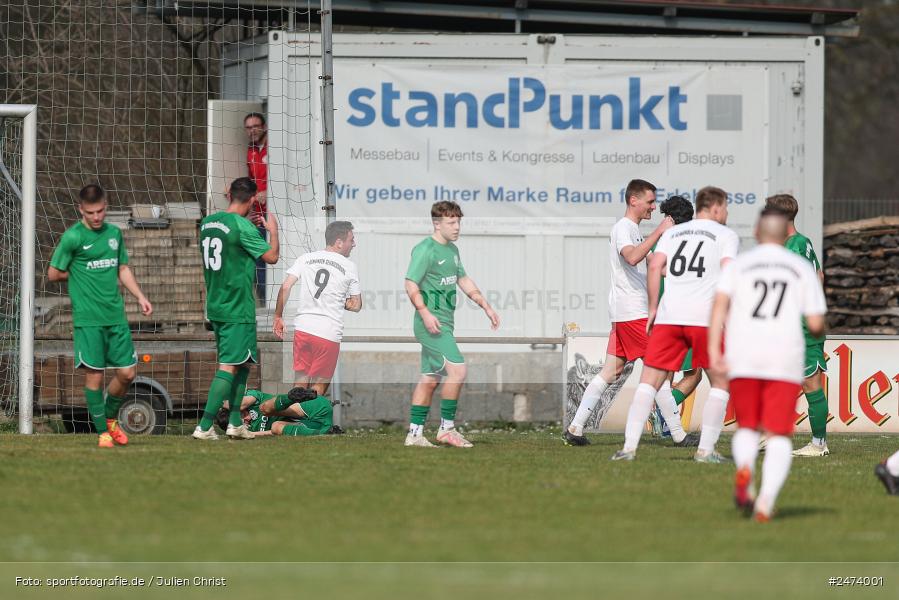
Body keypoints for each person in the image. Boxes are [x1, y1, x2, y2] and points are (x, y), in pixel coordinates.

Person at [708, 206, 827, 521]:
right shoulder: (800, 268)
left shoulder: (740, 266)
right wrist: (817, 329)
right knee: (778, 434)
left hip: (744, 356)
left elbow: (719, 307)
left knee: (748, 427)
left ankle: (745, 469)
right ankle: (765, 501)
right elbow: (816, 322)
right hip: (783, 358)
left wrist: (714, 351)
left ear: (757, 233)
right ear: (783, 232)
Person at [612, 186, 739, 463]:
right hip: (703, 318)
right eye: (726, 207)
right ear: (715, 207)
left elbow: (655, 266)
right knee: (720, 381)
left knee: (649, 382)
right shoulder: (726, 235)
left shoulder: (673, 233)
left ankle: (628, 448)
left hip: (669, 317)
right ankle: (705, 451)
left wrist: (654, 307)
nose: (727, 212)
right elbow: (730, 272)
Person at [564, 179, 684, 446]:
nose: (654, 208)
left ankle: (575, 428)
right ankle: (678, 434)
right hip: (633, 312)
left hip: (625, 313)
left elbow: (654, 265)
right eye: (650, 202)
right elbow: (631, 257)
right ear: (634, 200)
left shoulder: (635, 231)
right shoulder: (624, 228)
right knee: (659, 370)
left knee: (610, 372)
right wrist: (660, 231)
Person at [48, 184, 153, 448]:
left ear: (106, 206)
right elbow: (53, 273)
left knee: (128, 374)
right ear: (81, 210)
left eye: (101, 211)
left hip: (115, 317)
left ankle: (109, 418)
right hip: (88, 319)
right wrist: (80, 273)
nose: (97, 217)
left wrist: (140, 296)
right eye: (91, 212)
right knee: (94, 376)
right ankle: (102, 433)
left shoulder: (114, 234)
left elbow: (123, 268)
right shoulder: (72, 237)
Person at [403, 201, 500, 448]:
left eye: (459, 221)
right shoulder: (425, 249)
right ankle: (446, 429)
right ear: (437, 224)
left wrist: (485, 306)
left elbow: (463, 279)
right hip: (431, 325)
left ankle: (414, 435)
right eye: (451, 222)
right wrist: (424, 312)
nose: (457, 227)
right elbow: (410, 284)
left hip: (444, 322)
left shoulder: (453, 250)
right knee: (458, 371)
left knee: (430, 378)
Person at [193, 177, 279, 441]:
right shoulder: (244, 227)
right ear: (253, 200)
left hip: (216, 305)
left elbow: (231, 242)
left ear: (229, 194)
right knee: (229, 365)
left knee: (243, 364)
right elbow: (271, 257)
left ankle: (234, 424)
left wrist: (247, 228)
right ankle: (205, 426)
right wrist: (273, 232)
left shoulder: (209, 222)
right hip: (237, 306)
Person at [764, 194, 830, 457]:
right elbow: (819, 276)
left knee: (810, 383)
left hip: (800, 327)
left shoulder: (792, 246)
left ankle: (818, 444)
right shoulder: (802, 242)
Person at [273, 221, 362, 396]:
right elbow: (356, 304)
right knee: (319, 387)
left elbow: (285, 287)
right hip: (328, 332)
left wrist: (278, 316)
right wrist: (337, 300)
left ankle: (289, 421)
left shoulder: (305, 258)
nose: (354, 244)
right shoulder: (349, 266)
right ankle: (309, 422)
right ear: (339, 242)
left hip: (303, 328)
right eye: (351, 239)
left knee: (299, 383)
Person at [648, 195, 703, 437]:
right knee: (695, 373)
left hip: (661, 315)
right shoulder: (693, 244)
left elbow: (653, 269)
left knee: (665, 375)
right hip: (685, 315)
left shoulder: (657, 241)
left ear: (669, 218)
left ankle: (664, 422)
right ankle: (664, 417)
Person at [215, 386, 333, 437]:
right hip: (317, 425)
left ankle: (292, 397)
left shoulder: (251, 399)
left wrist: (220, 405)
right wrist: (247, 433)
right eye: (243, 422)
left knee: (264, 409)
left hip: (314, 407)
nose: (247, 418)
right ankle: (326, 433)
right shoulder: (249, 430)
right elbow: (273, 433)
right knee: (276, 427)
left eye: (243, 415)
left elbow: (241, 404)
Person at [244, 112, 269, 303]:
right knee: (256, 260)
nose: (252, 130)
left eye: (256, 126)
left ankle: (270, 301)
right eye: (248, 127)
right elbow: (253, 181)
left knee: (269, 258)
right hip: (256, 216)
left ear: (264, 126)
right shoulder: (250, 151)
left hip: (273, 217)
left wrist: (269, 193)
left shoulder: (272, 148)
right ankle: (262, 300)